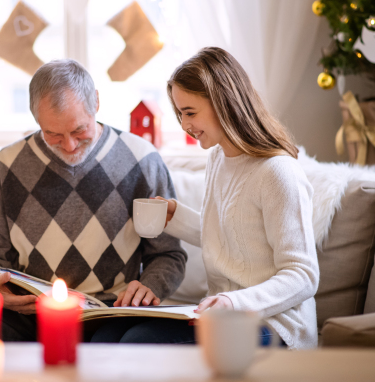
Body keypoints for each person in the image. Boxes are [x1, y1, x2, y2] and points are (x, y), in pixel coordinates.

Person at [105, 47, 320, 349]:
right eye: (180, 114)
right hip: (225, 316)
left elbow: (303, 275)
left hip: (276, 324)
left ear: (224, 102)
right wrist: (175, 217)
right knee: (106, 336)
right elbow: (234, 238)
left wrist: (232, 302)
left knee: (137, 343)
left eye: (190, 112)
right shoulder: (219, 158)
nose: (184, 125)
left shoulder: (278, 172)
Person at [0, 59, 187, 341]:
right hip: (32, 314)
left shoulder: (143, 160)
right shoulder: (3, 169)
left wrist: (150, 286)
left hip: (114, 312)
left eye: (78, 130)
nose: (69, 145)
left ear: (96, 102)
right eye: (52, 133)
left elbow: (169, 254)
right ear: (36, 118)